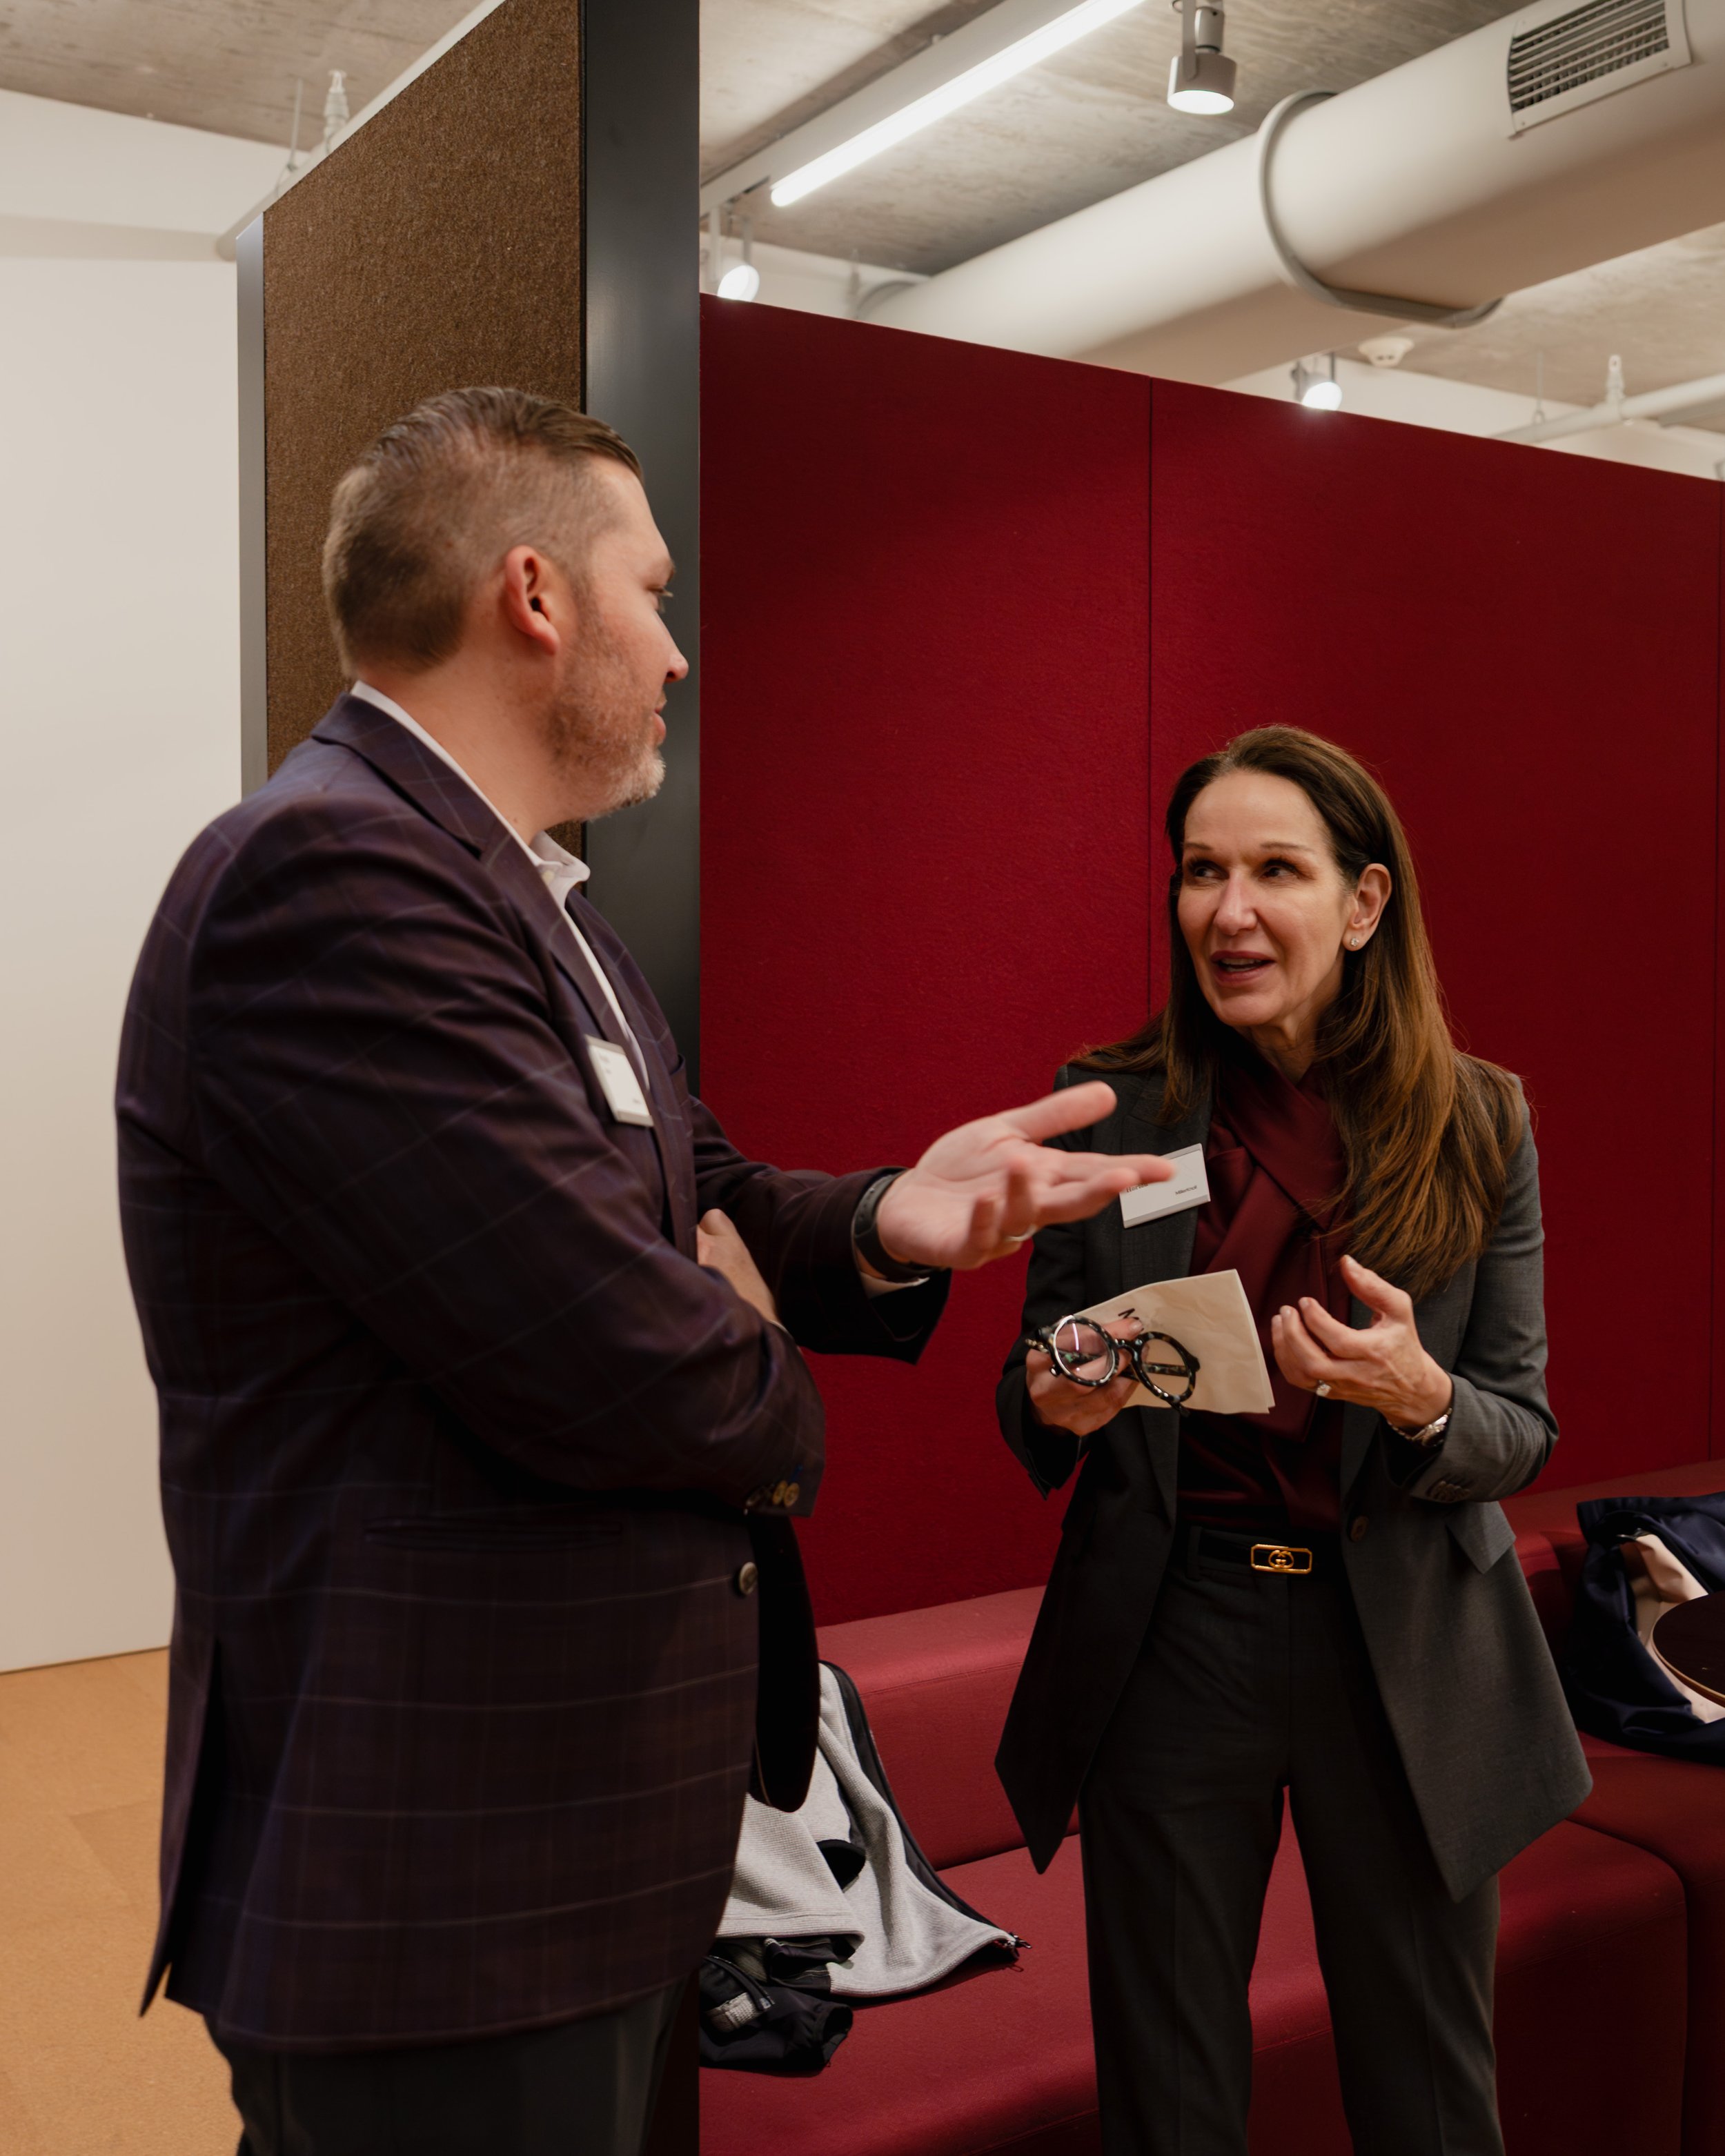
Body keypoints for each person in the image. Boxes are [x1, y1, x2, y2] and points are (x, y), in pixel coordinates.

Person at [115, 387, 1170, 2156]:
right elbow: (619, 1350)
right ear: (535, 596)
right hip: (444, 1877)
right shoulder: (333, 877)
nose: (675, 651)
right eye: (653, 592)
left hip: (582, 1845)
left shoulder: (529, 896)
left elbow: (696, 1187)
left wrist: (885, 1219)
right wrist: (737, 1338)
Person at [996, 726, 1590, 2156]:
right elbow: (1032, 1394)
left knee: (1428, 2093)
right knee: (1168, 2090)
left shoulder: (1478, 1117)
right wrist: (1057, 1392)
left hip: (1396, 1648)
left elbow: (1515, 1423)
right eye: (1201, 871)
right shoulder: (1113, 1099)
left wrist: (1414, 1397)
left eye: (1275, 869)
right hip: (1171, 1635)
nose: (1229, 909)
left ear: (1364, 904)